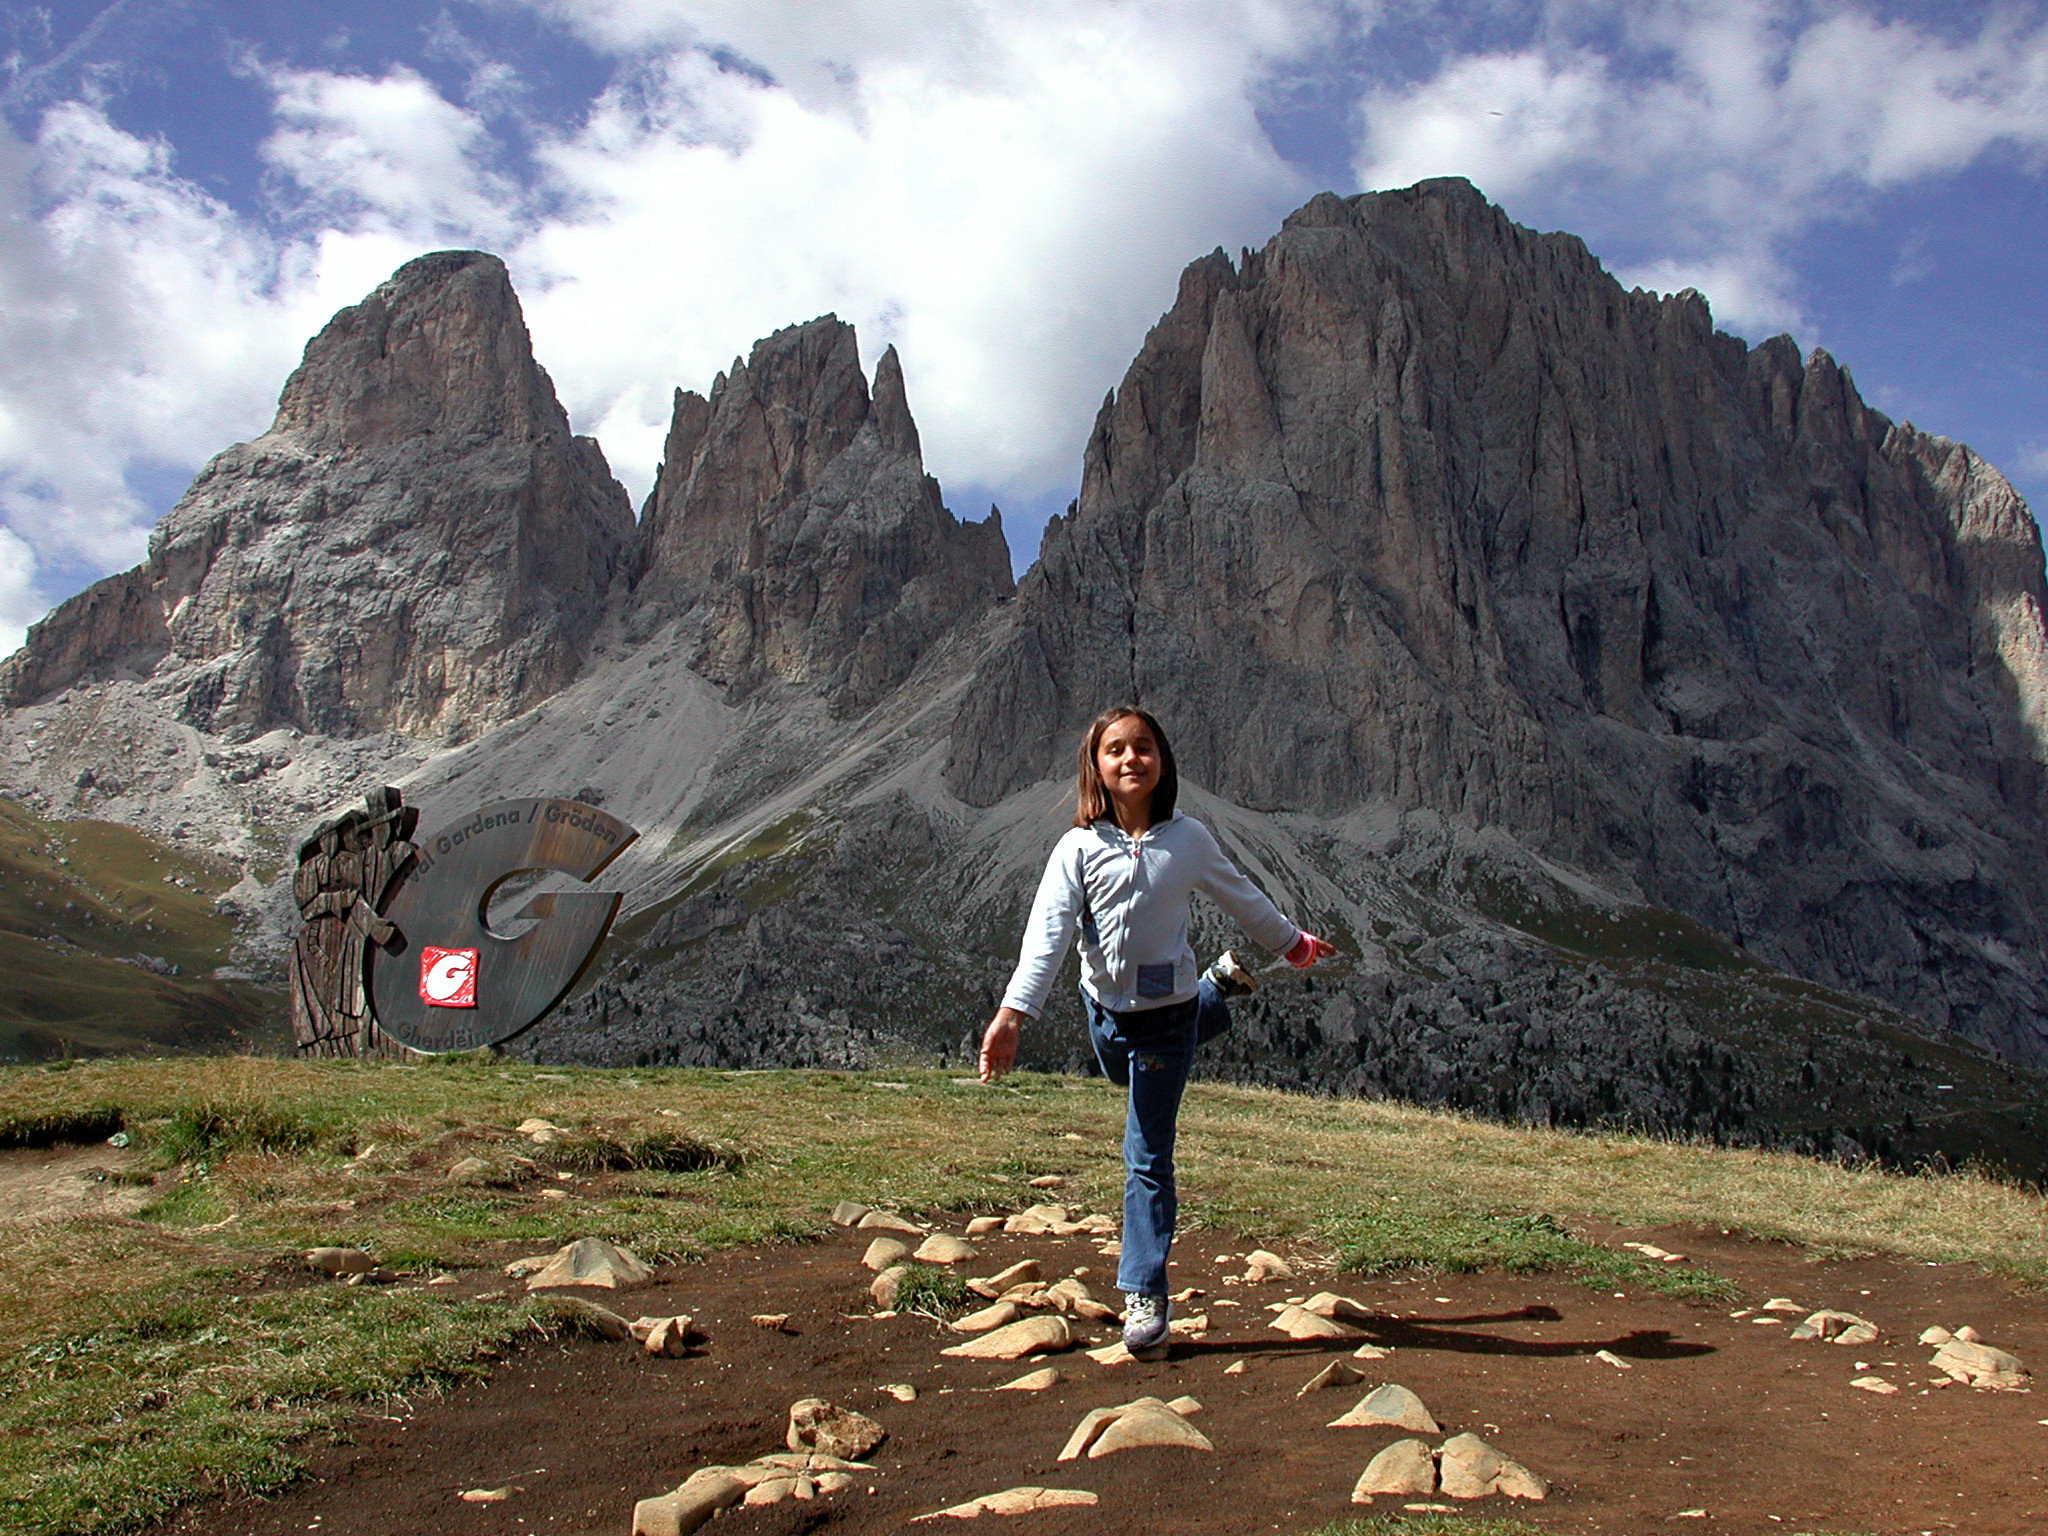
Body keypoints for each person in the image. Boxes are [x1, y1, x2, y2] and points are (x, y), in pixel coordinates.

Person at [977, 705, 1334, 1355]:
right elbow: (1047, 939)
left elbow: (1242, 896)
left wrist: (1295, 945)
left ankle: (1145, 1293)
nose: (1131, 758)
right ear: (1098, 767)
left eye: (1143, 747)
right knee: (1119, 1070)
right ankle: (1217, 990)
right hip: (1105, 1014)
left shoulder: (1189, 839)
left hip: (1167, 1018)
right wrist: (1012, 1016)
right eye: (1116, 749)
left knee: (1145, 1153)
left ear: (1162, 761)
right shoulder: (1077, 848)